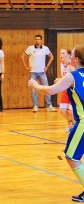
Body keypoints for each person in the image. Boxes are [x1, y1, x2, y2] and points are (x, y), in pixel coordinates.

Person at [28, 44, 84, 202]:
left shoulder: (73, 76)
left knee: (72, 157)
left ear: (76, 59)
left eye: (71, 55)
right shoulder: (72, 76)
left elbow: (50, 90)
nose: (70, 57)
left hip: (83, 124)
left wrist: (35, 85)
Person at [21, 34, 57, 112]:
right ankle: (35, 106)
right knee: (33, 90)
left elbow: (52, 56)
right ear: (34, 40)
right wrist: (26, 66)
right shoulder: (30, 48)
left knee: (47, 88)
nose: (37, 40)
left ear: (41, 40)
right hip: (33, 72)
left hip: (42, 72)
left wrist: (47, 66)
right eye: (36, 39)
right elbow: (22, 56)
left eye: (38, 39)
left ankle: (49, 106)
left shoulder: (45, 48)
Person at [54, 48, 75, 132]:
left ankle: (75, 127)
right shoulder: (62, 64)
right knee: (62, 111)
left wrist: (61, 80)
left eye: (63, 53)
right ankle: (70, 122)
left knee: (71, 111)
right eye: (60, 53)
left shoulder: (72, 66)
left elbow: (74, 79)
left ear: (69, 55)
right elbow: (65, 78)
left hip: (73, 90)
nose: (61, 55)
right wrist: (61, 79)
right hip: (65, 89)